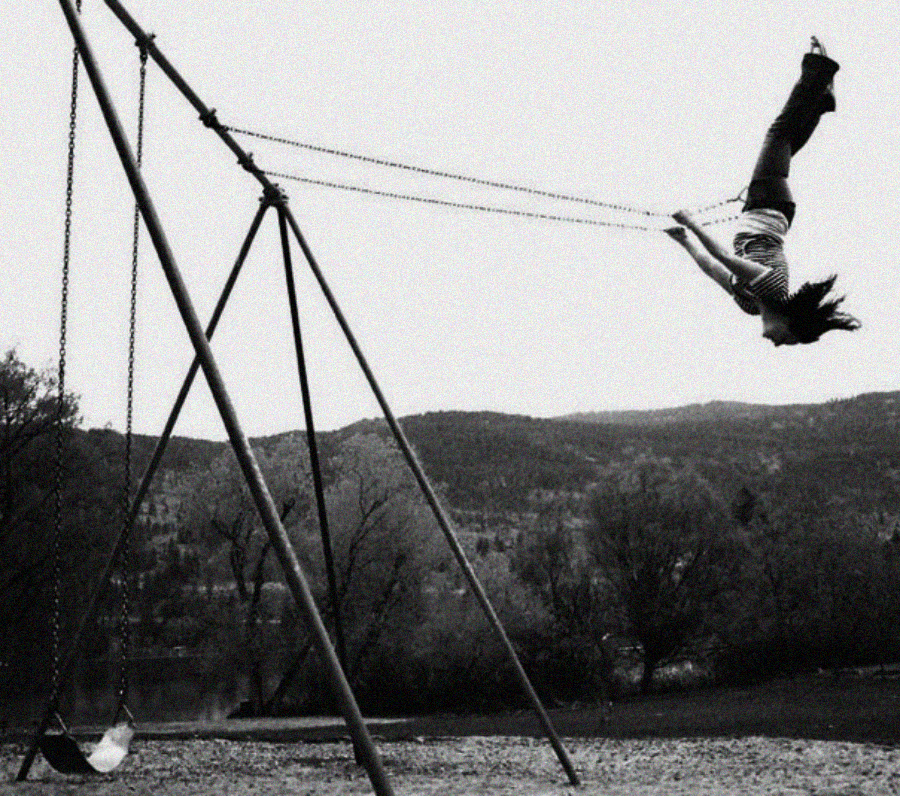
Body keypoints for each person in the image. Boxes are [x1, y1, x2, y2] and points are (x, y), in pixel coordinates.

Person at [666, 38, 860, 346]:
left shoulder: (749, 304)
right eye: (787, 340)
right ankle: (817, 72)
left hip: (762, 209)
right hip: (770, 207)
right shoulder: (772, 289)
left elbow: (712, 267)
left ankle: (821, 103)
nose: (779, 343)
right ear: (788, 324)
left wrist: (684, 240)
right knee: (778, 134)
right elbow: (723, 255)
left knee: (785, 144)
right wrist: (690, 222)